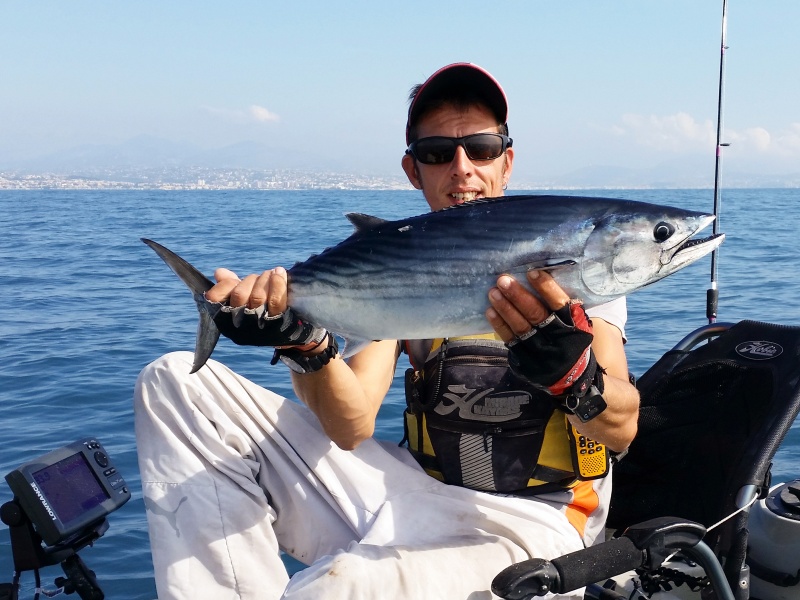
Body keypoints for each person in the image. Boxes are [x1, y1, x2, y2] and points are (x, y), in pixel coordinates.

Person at [134, 63, 640, 600]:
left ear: (507, 161)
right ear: (412, 170)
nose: (462, 168)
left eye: (483, 148)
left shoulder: (575, 274)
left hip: (536, 527)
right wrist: (304, 342)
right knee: (174, 384)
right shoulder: (402, 269)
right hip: (414, 493)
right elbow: (351, 425)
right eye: (437, 152)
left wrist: (575, 375)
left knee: (339, 590)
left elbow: (622, 430)